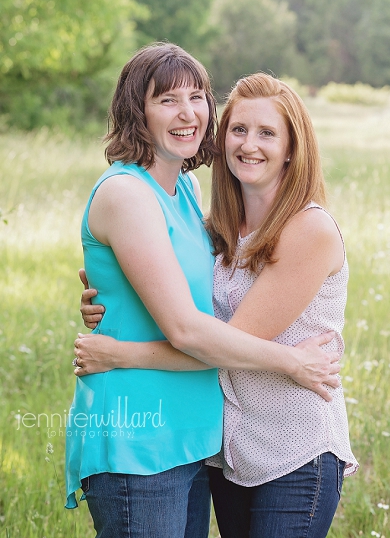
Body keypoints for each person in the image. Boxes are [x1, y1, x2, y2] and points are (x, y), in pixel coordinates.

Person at [66, 45, 341, 538]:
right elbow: (188, 324)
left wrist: (119, 339)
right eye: (168, 99)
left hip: (216, 444)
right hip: (141, 438)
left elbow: (202, 305)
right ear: (137, 112)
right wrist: (291, 361)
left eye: (197, 96)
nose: (188, 111)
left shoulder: (190, 197)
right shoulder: (135, 195)